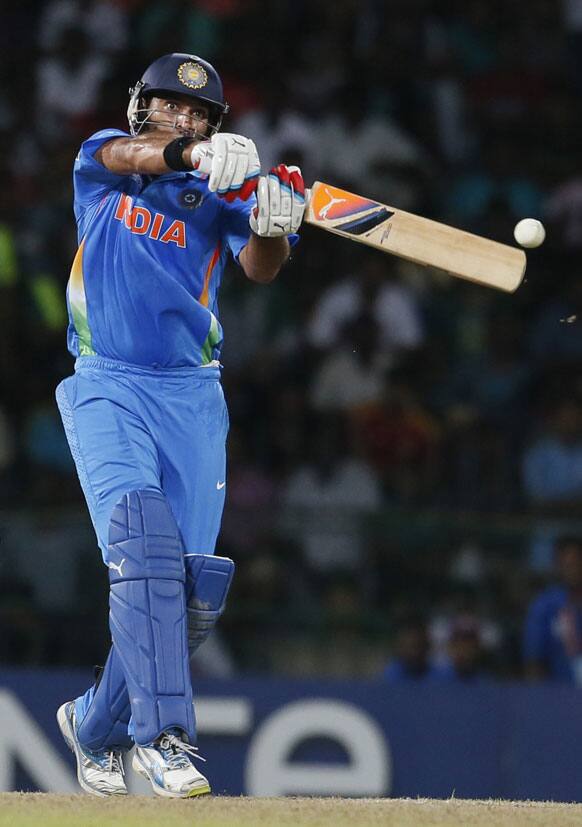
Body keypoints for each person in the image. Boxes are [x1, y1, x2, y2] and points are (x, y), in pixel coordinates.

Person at [54, 52, 305, 798]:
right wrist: (189, 152)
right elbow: (133, 152)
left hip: (192, 397)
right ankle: (163, 739)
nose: (184, 119)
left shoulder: (218, 193)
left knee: (192, 597)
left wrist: (271, 223)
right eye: (170, 107)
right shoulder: (104, 161)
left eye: (198, 115)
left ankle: (91, 725)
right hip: (107, 384)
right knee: (143, 547)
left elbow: (262, 266)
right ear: (142, 107)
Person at [523, 536, 582, 684]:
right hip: (558, 695)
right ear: (558, 566)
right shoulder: (545, 605)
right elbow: (534, 660)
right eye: (566, 565)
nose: (571, 570)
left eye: (575, 563)